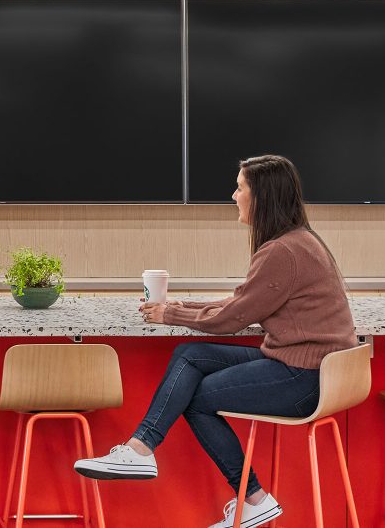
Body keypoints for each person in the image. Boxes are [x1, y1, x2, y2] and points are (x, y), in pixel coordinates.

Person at [73, 155, 357, 528]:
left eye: (241, 187)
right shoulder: (296, 242)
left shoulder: (282, 251)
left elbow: (231, 319)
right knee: (189, 355)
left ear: (262, 197)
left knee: (198, 399)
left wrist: (171, 314)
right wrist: (175, 306)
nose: (234, 195)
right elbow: (241, 302)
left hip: (304, 378)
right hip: (309, 368)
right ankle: (140, 449)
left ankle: (252, 497)